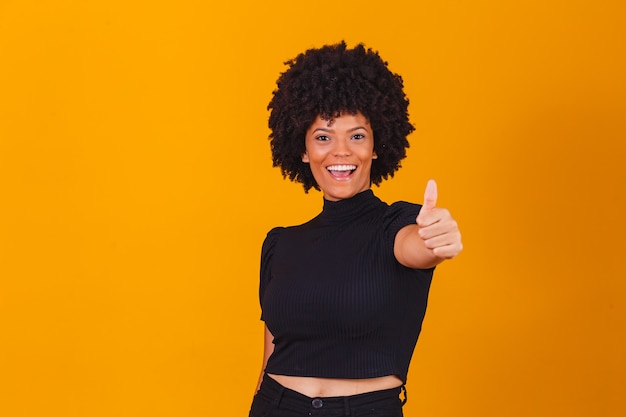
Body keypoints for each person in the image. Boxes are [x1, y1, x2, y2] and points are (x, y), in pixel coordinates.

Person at [249, 41, 463, 417]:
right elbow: (270, 359)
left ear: (377, 145)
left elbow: (416, 248)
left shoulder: (398, 224)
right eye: (323, 136)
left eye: (357, 135)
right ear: (303, 150)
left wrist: (435, 238)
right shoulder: (279, 244)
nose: (341, 151)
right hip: (275, 406)